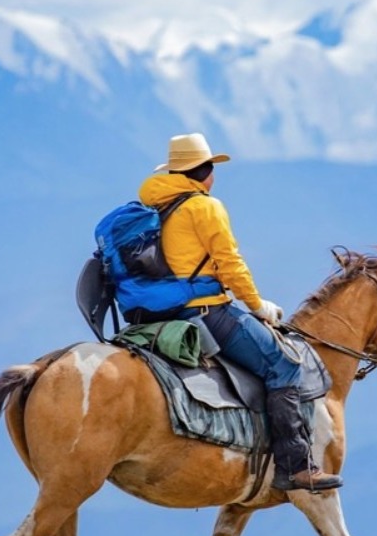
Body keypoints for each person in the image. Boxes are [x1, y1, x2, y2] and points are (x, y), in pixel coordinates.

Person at [137, 132, 342, 492]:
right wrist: (257, 305)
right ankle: (295, 468)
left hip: (161, 313)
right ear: (205, 171)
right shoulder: (205, 207)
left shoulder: (157, 206)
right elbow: (231, 265)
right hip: (206, 314)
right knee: (284, 366)